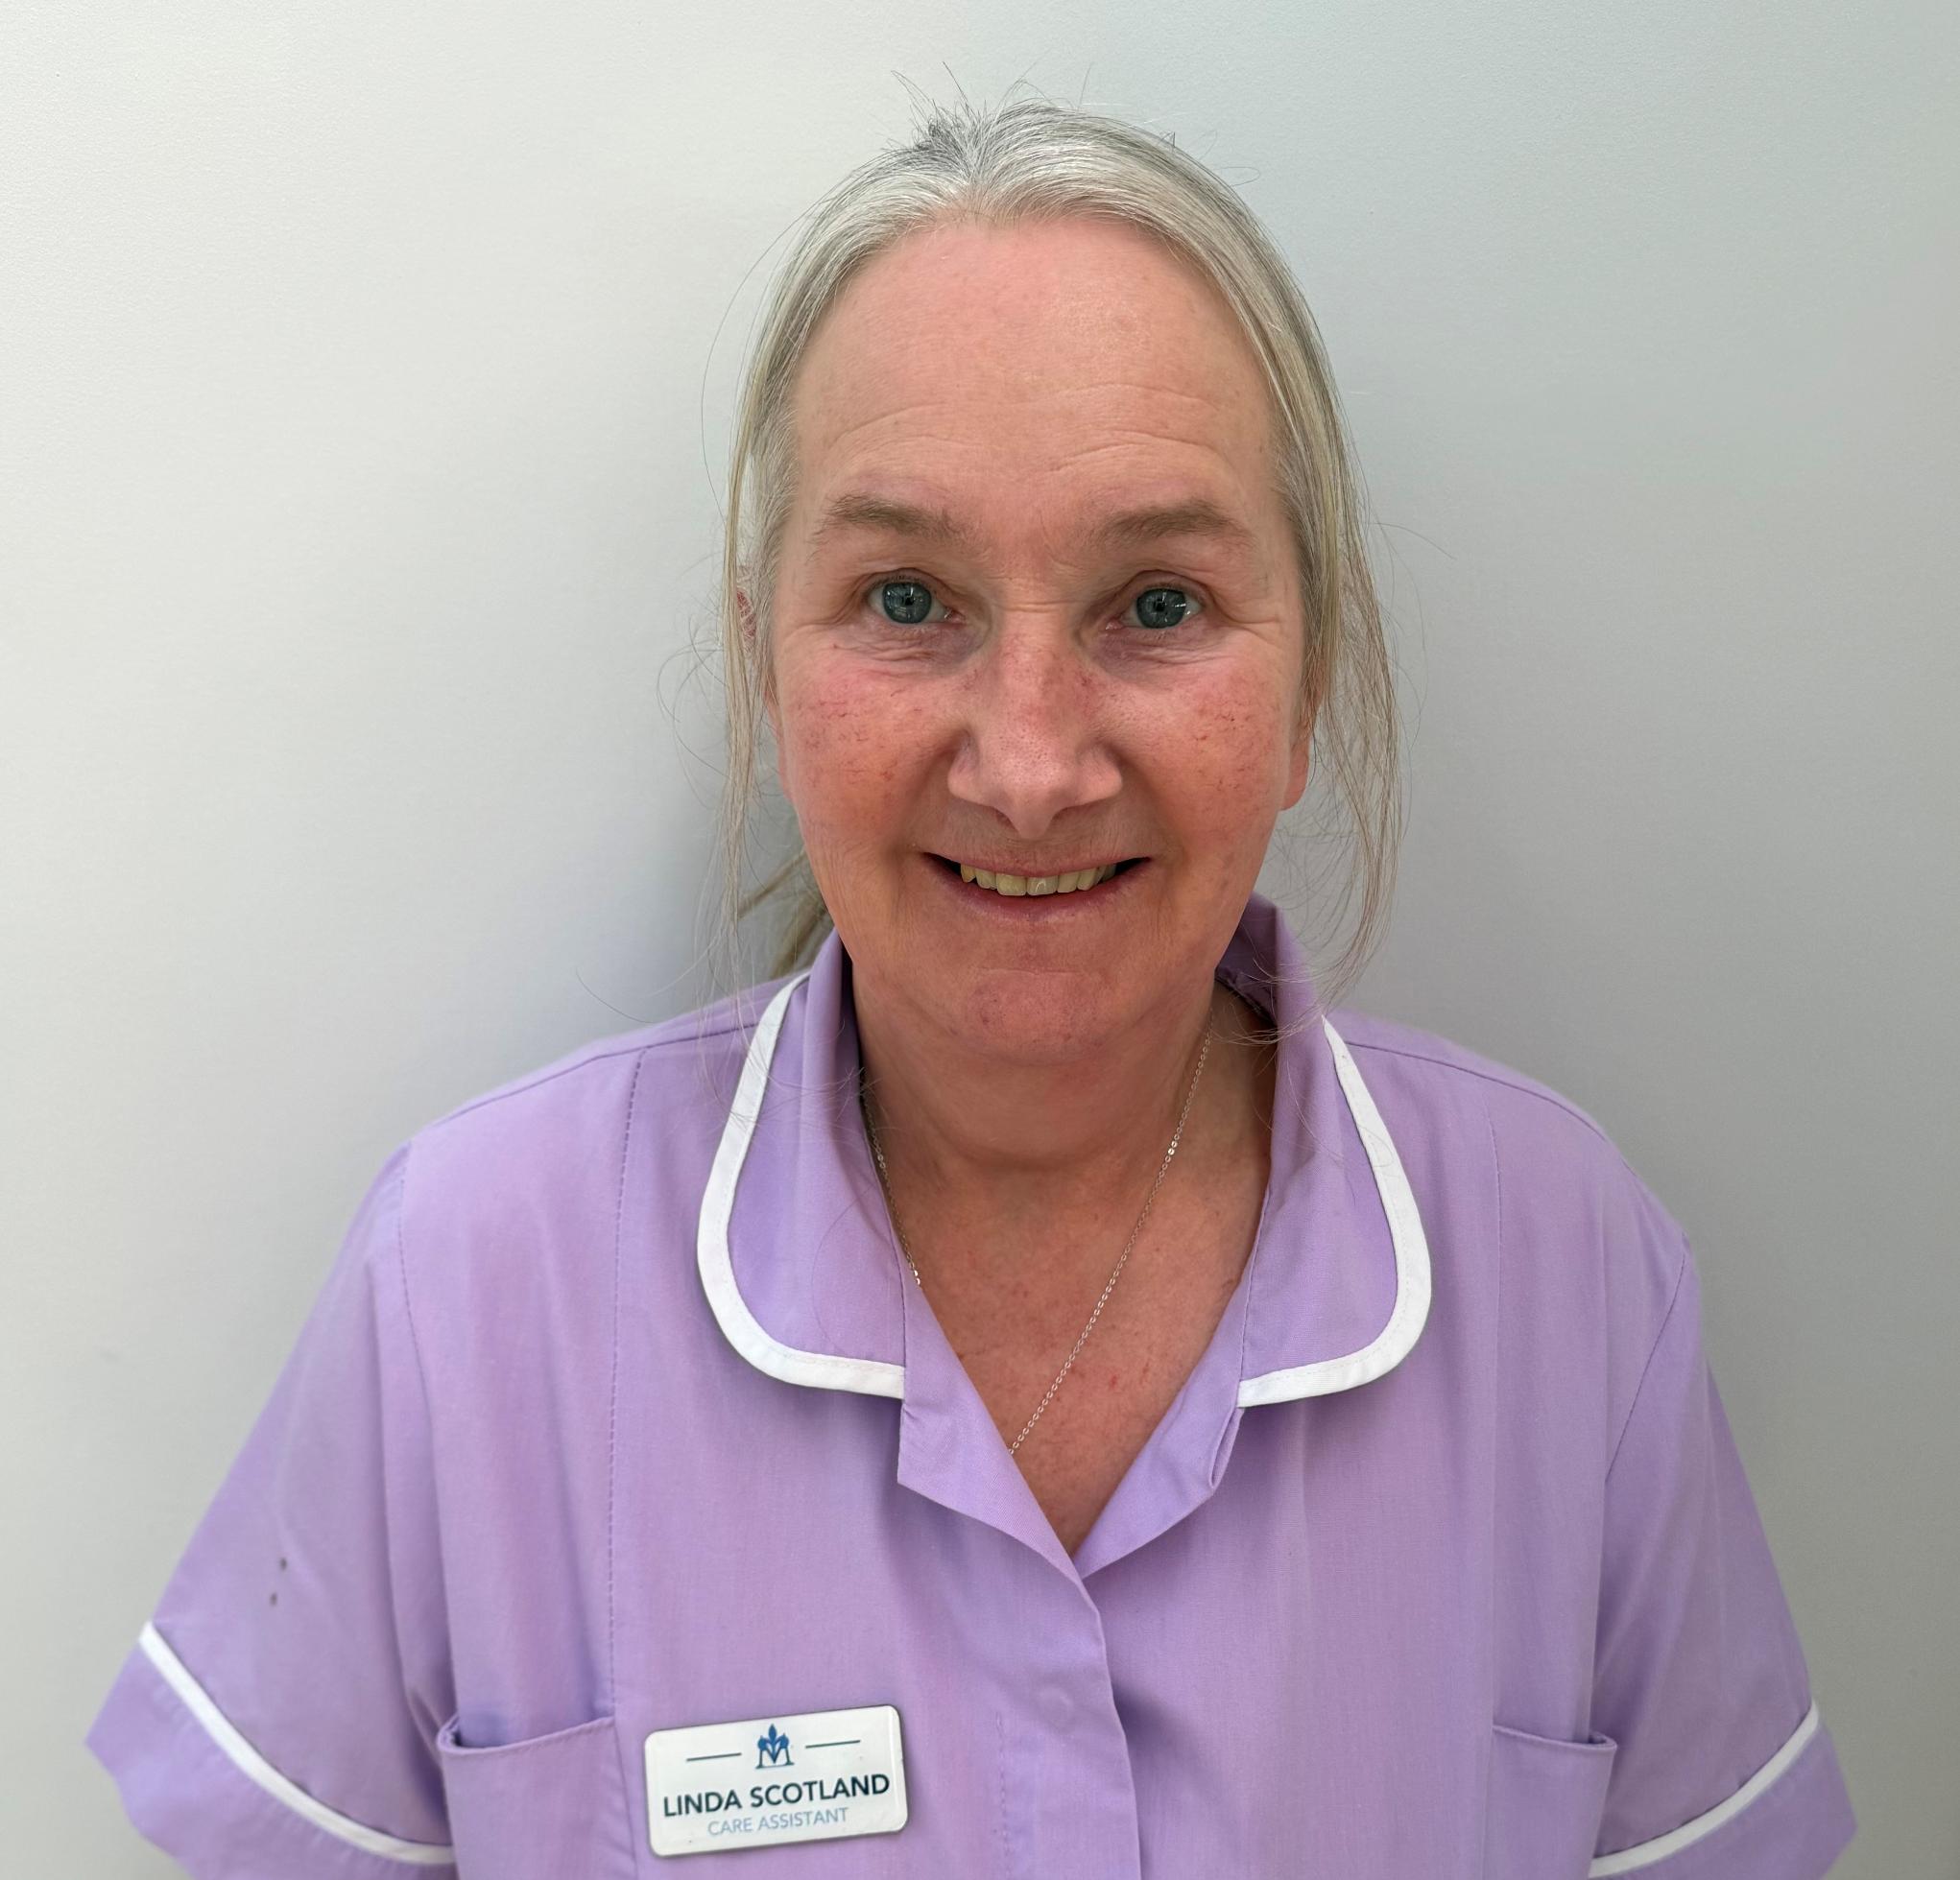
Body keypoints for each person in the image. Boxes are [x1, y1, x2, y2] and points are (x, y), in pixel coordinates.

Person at [84, 93, 1856, 1879]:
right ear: (763, 662)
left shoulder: (1569, 1279)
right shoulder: (470, 1283)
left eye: (1155, 605)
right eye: (907, 594)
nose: (1028, 766)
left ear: (1308, 678)